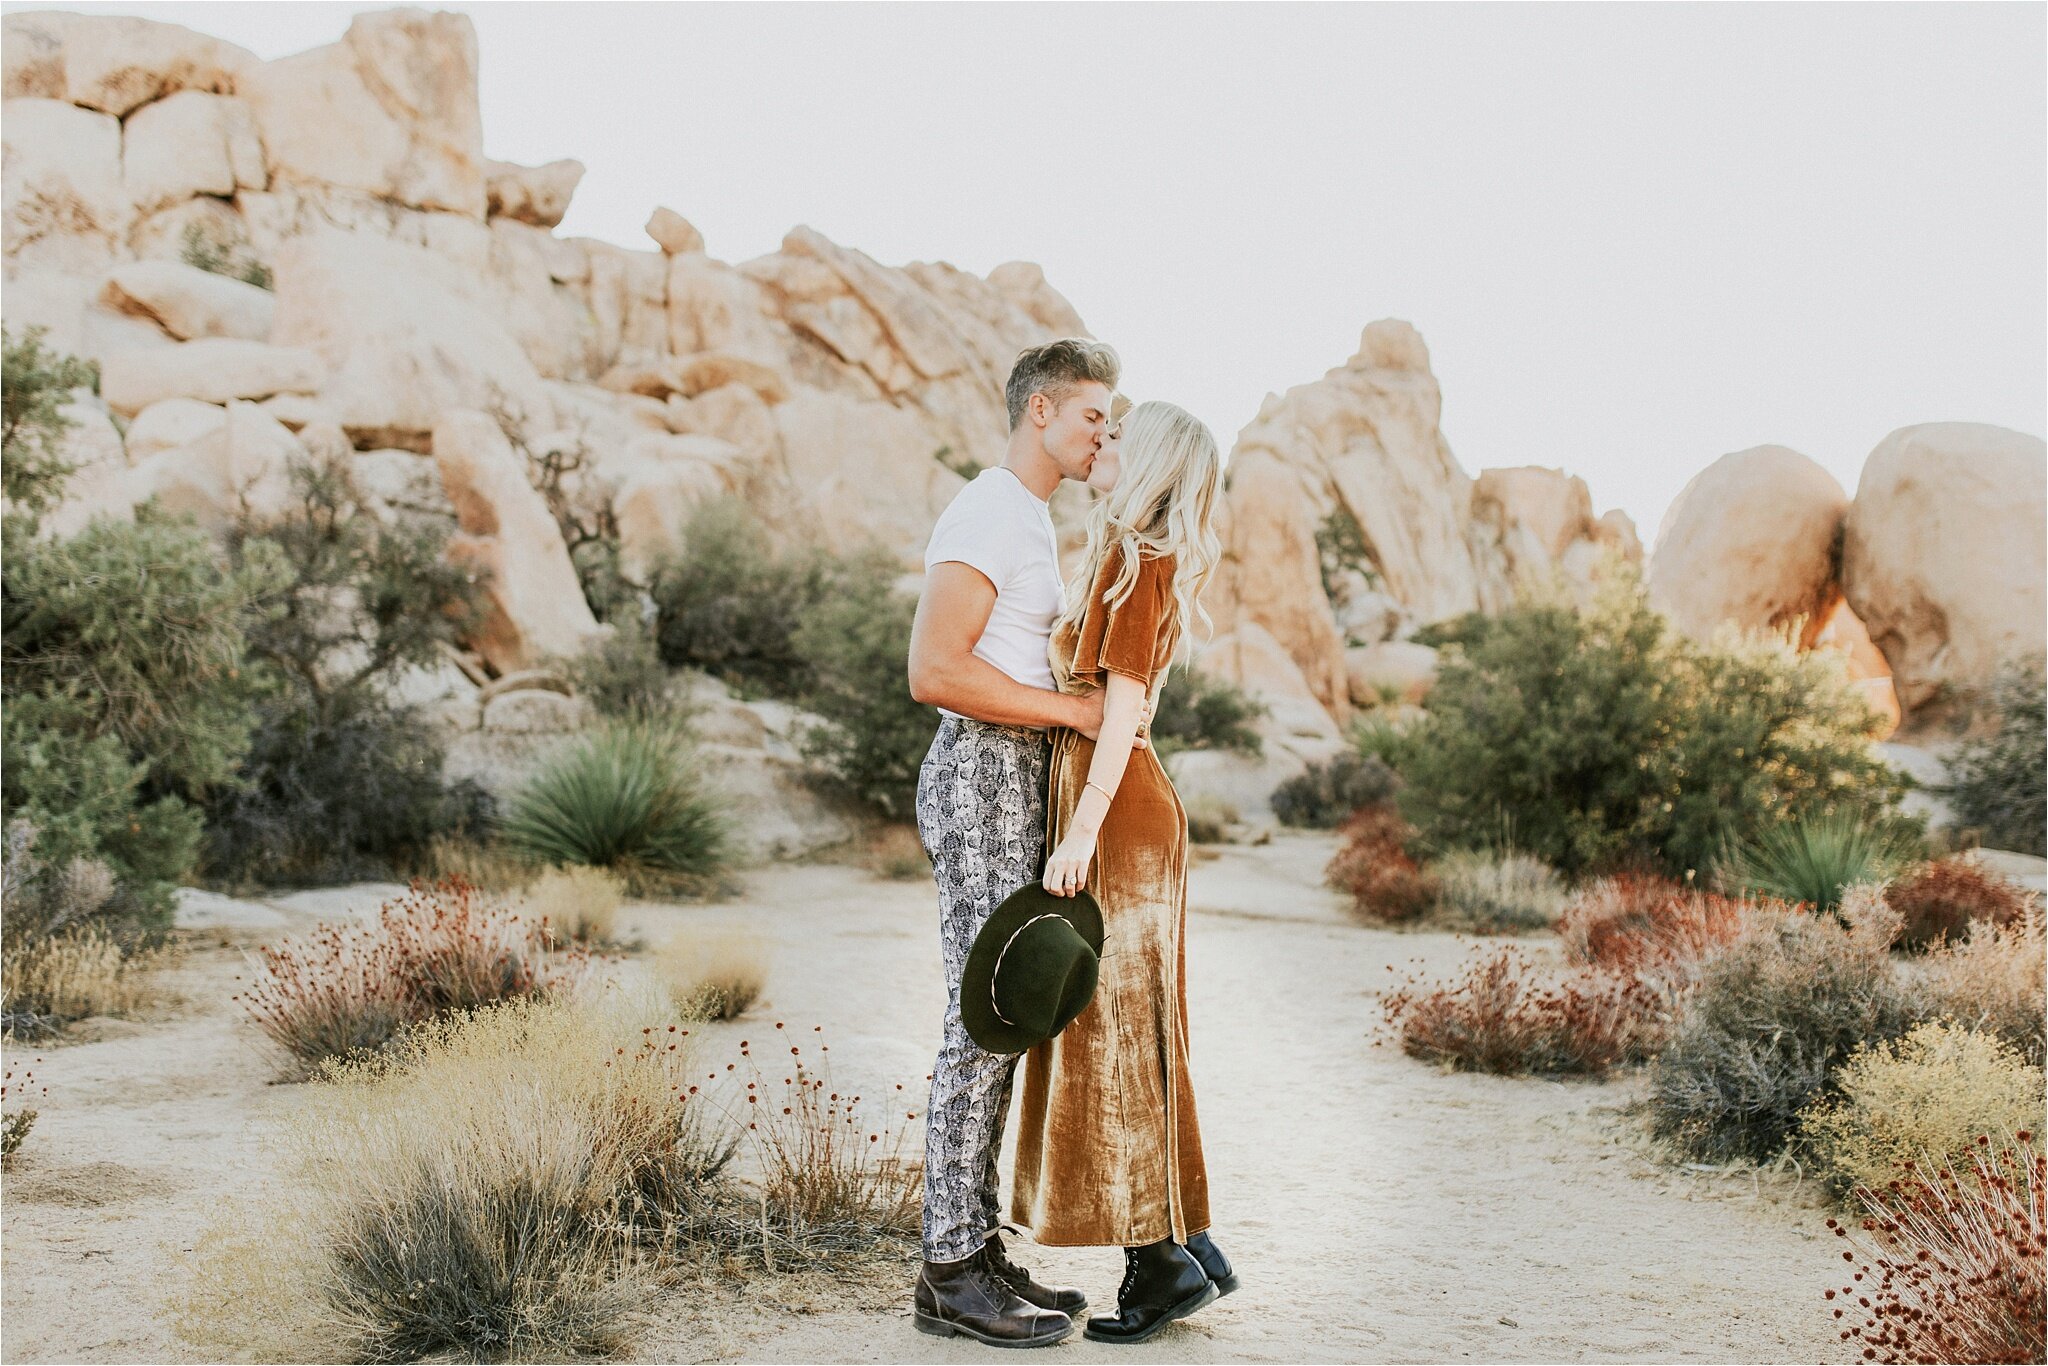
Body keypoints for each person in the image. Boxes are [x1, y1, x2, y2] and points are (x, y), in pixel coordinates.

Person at [904, 338, 1155, 1349]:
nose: (1106, 431)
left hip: (1015, 773)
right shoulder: (986, 509)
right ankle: (948, 1273)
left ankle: (974, 1249)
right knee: (982, 1017)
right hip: (977, 768)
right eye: (1094, 414)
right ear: (1041, 409)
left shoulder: (1031, 517)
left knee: (1009, 1012)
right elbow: (933, 668)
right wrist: (1069, 713)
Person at [1009, 399, 1238, 1345]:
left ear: (1145, 462)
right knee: (1143, 1024)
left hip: (1120, 816)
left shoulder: (1135, 562)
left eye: (1115, 439)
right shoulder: (1132, 558)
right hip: (1126, 812)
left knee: (1115, 1033)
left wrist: (1078, 836)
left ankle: (1157, 1267)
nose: (1101, 447)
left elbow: (1123, 713)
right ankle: (1187, 1238)